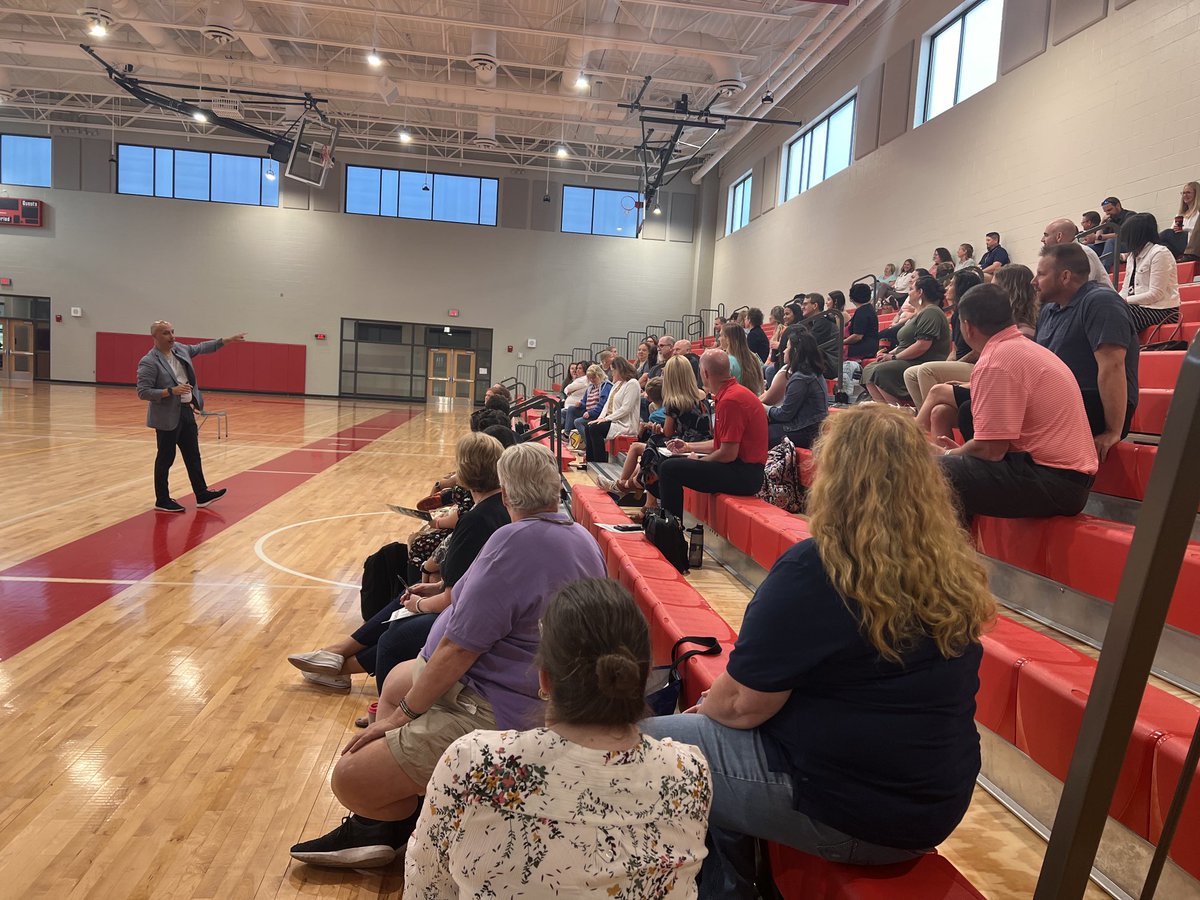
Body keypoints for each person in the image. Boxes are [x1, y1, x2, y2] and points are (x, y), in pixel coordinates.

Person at [643, 405, 995, 900]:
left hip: (853, 809)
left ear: (835, 478)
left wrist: (707, 711)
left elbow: (742, 704)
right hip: (935, 804)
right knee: (714, 742)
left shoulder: (823, 565)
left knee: (625, 746)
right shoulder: (950, 567)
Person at [290, 443, 607, 869]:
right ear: (556, 489)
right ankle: (387, 825)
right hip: (509, 685)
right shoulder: (580, 537)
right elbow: (476, 593)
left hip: (497, 704)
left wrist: (404, 715)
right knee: (399, 677)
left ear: (507, 495)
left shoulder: (513, 541)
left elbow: (459, 648)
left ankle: (406, 814)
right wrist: (439, 592)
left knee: (350, 776)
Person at [404, 578, 712, 896]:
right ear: (645, 676)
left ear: (544, 679)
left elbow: (426, 887)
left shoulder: (474, 762)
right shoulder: (690, 772)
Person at [286, 432, 510, 693]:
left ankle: (343, 671)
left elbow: (452, 599)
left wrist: (421, 604)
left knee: (397, 633)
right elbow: (470, 579)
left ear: (464, 471)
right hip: (483, 607)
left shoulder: (475, 522)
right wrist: (434, 589)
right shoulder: (499, 506)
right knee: (406, 598)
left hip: (469, 617)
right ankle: (335, 655)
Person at [934, 284, 1098, 518]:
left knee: (931, 469)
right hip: (1066, 478)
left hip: (1055, 481)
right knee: (967, 414)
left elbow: (991, 451)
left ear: (967, 327)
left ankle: (946, 540)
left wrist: (949, 455)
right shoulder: (1024, 348)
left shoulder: (995, 361)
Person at [1034, 243, 1139, 462]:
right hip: (1064, 399)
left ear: (1065, 276)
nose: (1034, 281)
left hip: (1093, 402)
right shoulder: (1049, 309)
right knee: (971, 405)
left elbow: (1112, 367)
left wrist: (1112, 431)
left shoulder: (1101, 302)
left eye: (1041, 274)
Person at [136, 320, 245, 513]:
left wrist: (227, 340)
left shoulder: (180, 349)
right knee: (166, 458)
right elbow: (143, 392)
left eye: (172, 332)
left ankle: (202, 494)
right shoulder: (149, 361)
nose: (172, 336)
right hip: (167, 417)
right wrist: (171, 391)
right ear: (154, 337)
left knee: (193, 455)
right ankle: (162, 499)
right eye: (166, 333)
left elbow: (202, 347)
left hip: (186, 412)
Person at [649, 349, 767, 520]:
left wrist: (699, 462)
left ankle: (670, 528)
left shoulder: (731, 400)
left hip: (744, 475)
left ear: (704, 373)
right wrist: (687, 446)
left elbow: (728, 454)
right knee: (668, 462)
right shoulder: (733, 394)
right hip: (744, 470)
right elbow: (722, 443)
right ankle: (669, 521)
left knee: (669, 469)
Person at [902, 268, 984, 408]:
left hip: (976, 365)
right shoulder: (957, 313)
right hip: (961, 363)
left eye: (951, 284)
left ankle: (930, 413)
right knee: (910, 374)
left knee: (926, 370)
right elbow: (955, 350)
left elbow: (978, 351)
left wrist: (955, 364)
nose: (947, 288)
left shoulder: (974, 313)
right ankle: (924, 412)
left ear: (961, 288)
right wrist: (947, 364)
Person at [863, 276, 951, 405]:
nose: (909, 293)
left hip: (922, 360)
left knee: (880, 371)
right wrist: (890, 353)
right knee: (869, 369)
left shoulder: (931, 312)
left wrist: (894, 357)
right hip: (909, 358)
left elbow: (922, 345)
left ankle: (899, 410)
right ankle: (885, 409)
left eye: (911, 289)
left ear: (920, 292)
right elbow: (907, 343)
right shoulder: (920, 313)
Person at [1119, 212, 1182, 332]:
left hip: (1163, 311)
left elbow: (1156, 294)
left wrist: (1124, 301)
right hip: (1137, 307)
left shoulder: (1160, 253)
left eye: (1127, 237)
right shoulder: (1132, 256)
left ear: (1137, 236)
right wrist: (1114, 300)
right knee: (1106, 310)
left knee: (1116, 314)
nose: (1125, 241)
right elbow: (1125, 289)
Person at [765, 330, 827, 449]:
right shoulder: (813, 372)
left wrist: (765, 409)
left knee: (759, 432)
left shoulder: (801, 378)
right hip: (811, 428)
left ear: (794, 351)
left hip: (804, 431)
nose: (784, 351)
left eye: (787, 347)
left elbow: (785, 415)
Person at [584, 356, 641, 464]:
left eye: (613, 370)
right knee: (589, 426)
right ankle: (590, 462)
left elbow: (626, 408)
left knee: (595, 429)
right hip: (613, 420)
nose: (612, 373)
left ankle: (600, 462)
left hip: (624, 423)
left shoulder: (632, 383)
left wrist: (606, 419)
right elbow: (607, 404)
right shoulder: (617, 384)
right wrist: (600, 418)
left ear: (619, 369)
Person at [1041, 217, 1110, 285]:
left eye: (1046, 235)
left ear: (1059, 236)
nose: (1042, 240)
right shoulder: (1062, 256)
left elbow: (1082, 287)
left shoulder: (1083, 253)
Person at [571, 364, 612, 449]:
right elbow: (584, 401)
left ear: (599, 375)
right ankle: (566, 433)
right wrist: (580, 404)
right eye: (590, 378)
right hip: (589, 412)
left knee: (578, 422)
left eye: (594, 378)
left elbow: (602, 405)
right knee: (569, 410)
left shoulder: (606, 386)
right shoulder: (590, 387)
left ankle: (590, 445)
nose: (592, 380)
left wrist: (590, 413)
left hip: (599, 414)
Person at [721, 322, 765, 396]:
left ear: (727, 339)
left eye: (720, 335)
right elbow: (761, 386)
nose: (719, 339)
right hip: (755, 399)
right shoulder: (754, 357)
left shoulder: (727, 361)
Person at [1160, 181, 1199, 258]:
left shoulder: (1198, 213)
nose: (1185, 195)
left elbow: (1196, 233)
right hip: (1179, 242)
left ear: (1196, 194)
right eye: (1183, 193)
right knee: (1162, 246)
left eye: (1188, 193)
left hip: (1191, 242)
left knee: (1166, 234)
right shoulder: (1180, 215)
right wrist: (1175, 229)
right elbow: (1172, 231)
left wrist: (1182, 230)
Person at [1096, 197, 1136, 265]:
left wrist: (1104, 237)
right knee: (1091, 247)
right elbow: (1097, 237)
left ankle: (1103, 270)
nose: (1108, 213)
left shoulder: (1130, 215)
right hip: (1111, 246)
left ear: (1118, 206)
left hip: (1128, 244)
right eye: (1105, 212)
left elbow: (1124, 233)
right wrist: (1102, 223)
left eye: (1109, 210)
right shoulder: (1109, 219)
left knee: (1111, 241)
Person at [559, 360, 590, 434]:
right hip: (573, 405)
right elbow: (565, 389)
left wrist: (571, 391)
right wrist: (570, 391)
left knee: (564, 411)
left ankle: (566, 432)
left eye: (580, 368)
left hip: (579, 406)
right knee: (561, 412)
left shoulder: (583, 379)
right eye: (577, 368)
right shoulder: (578, 379)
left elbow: (568, 388)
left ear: (585, 369)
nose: (577, 370)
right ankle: (563, 430)